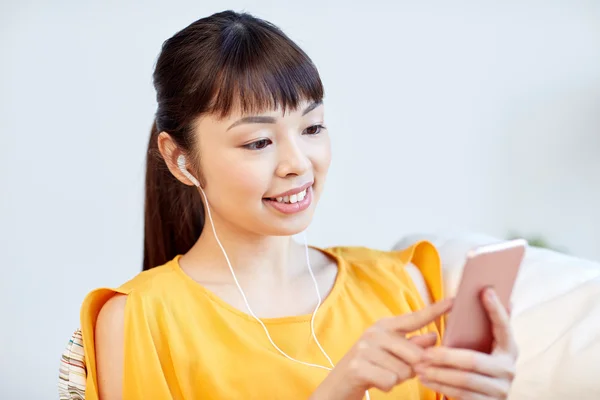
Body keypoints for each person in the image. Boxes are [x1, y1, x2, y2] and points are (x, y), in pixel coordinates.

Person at [79, 10, 518, 400]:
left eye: (312, 128)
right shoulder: (138, 322)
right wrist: (337, 390)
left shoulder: (400, 287)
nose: (297, 164)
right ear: (181, 159)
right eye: (258, 141)